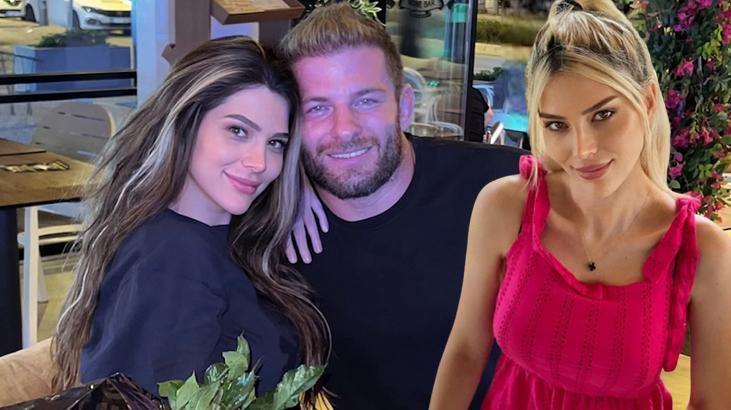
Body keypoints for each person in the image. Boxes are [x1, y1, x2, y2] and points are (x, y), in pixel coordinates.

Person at [430, 0, 731, 408]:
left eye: (603, 115)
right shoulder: (504, 208)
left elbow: (711, 402)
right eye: (557, 125)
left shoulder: (702, 249)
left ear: (647, 101)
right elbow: (466, 349)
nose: (583, 149)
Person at [50, 36, 329, 406]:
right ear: (187, 123)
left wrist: (303, 193)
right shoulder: (170, 257)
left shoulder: (229, 237)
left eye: (275, 143)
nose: (259, 162)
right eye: (238, 131)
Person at [278, 4, 524, 409]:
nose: (344, 130)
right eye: (316, 107)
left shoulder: (503, 186)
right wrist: (286, 186)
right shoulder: (275, 227)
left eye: (366, 101)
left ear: (405, 106)